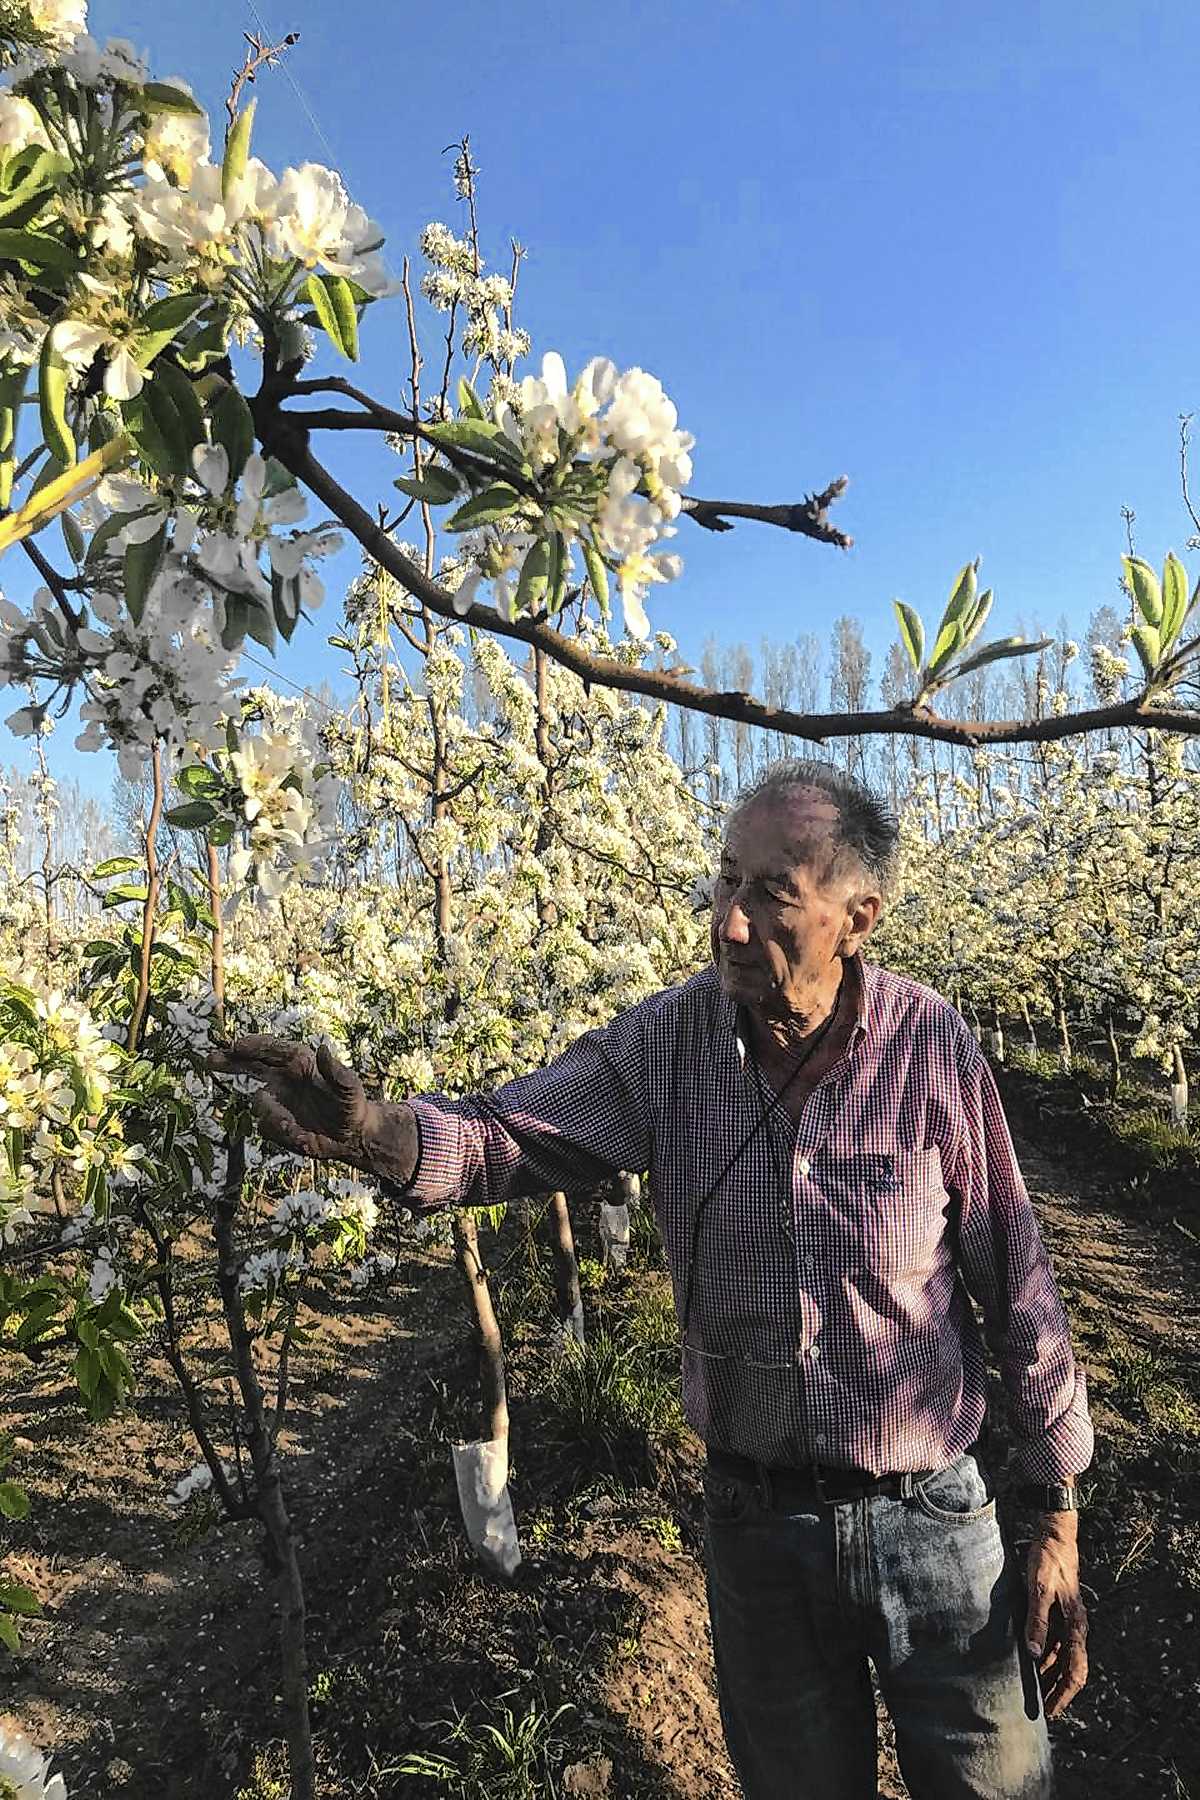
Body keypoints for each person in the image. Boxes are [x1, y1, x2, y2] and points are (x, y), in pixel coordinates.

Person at [213, 758, 1091, 1800]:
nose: (727, 921)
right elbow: (509, 1135)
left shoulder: (928, 1047)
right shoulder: (667, 1044)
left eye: (771, 893)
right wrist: (373, 1134)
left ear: (858, 917)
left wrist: (1055, 1518)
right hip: (756, 1532)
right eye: (725, 881)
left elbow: (1014, 1274)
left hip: (935, 1528)